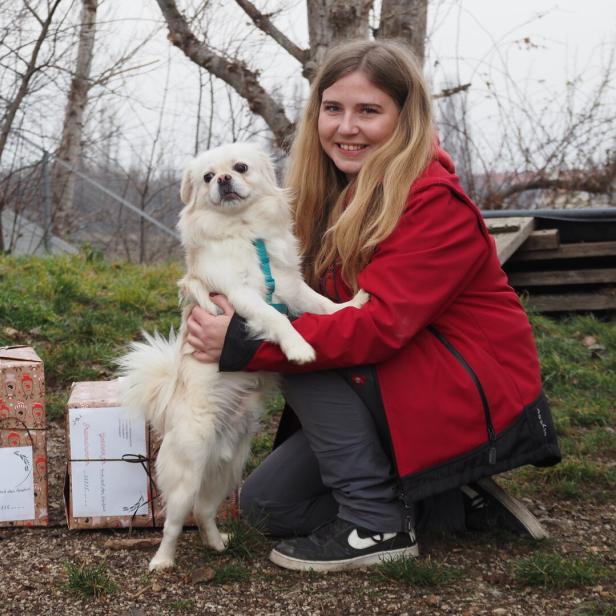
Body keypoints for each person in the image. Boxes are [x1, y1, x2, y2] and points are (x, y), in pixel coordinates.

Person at [185, 39, 561, 572]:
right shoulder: (333, 193)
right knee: (269, 506)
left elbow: (378, 327)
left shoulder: (434, 203)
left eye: (369, 111)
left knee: (293, 347)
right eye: (333, 109)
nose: (346, 127)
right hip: (391, 377)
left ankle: (376, 524)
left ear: (405, 118)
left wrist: (245, 342)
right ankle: (443, 492)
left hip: (461, 386)